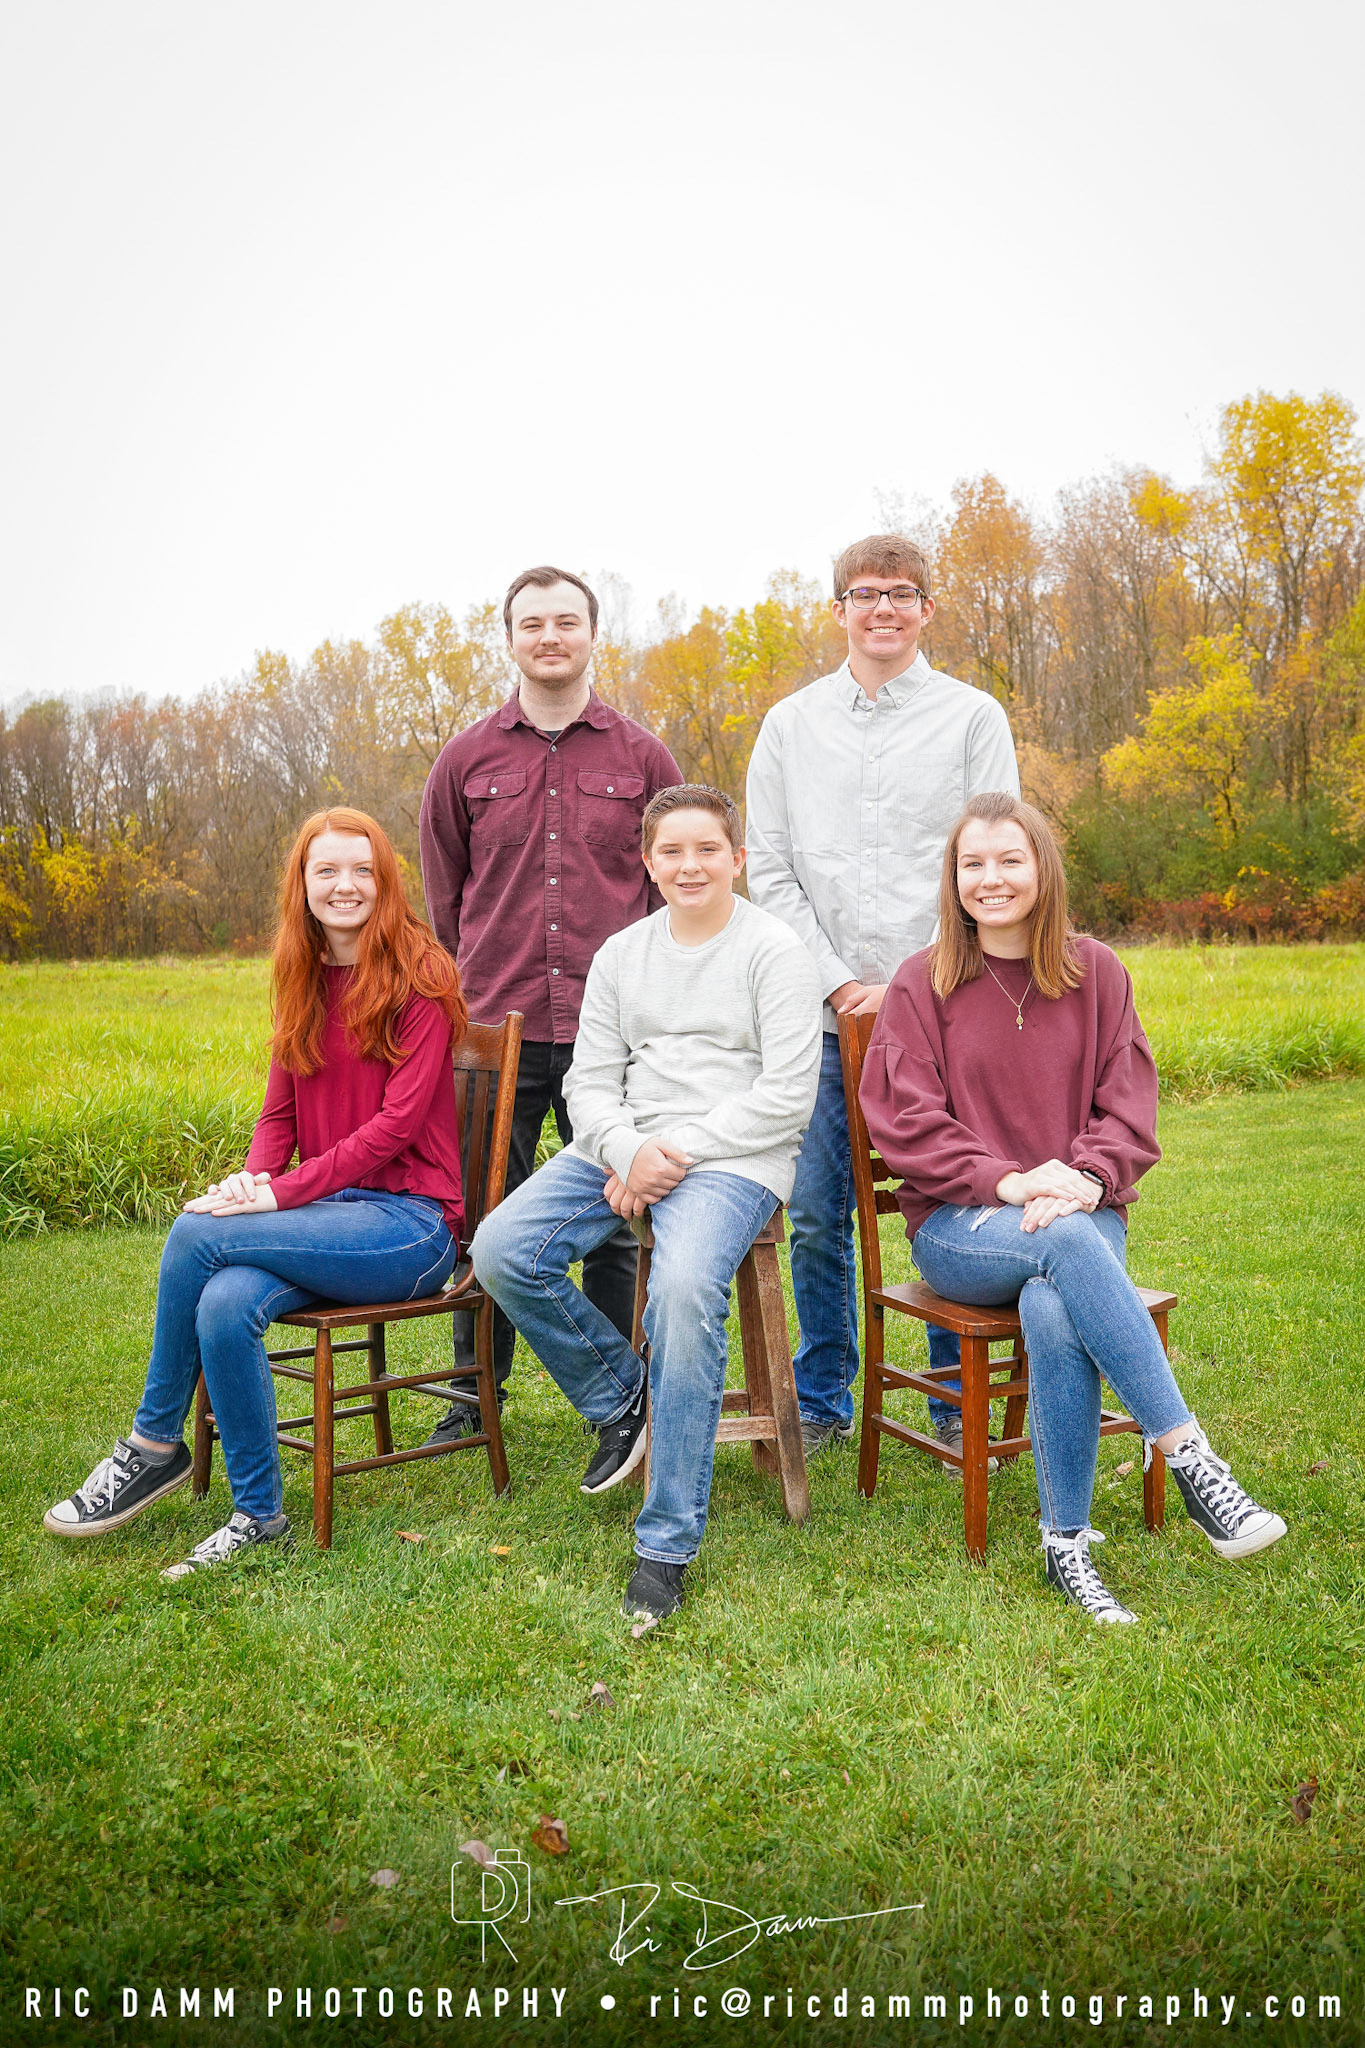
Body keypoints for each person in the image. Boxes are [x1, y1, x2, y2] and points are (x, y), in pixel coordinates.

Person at [858, 791, 1287, 1623]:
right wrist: (1011, 1181)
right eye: (972, 863)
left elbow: (1126, 1105)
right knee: (1063, 1249)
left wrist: (1088, 1179)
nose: (990, 878)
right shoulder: (921, 982)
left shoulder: (1096, 973)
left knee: (1053, 1299)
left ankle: (1065, 1545)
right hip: (960, 1227)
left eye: (1008, 860)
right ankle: (1189, 1456)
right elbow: (905, 1122)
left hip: (1080, 1217)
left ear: (1042, 869)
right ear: (952, 878)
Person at [44, 808, 467, 1578]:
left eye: (362, 870)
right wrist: (253, 1179)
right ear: (302, 884)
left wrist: (276, 1196)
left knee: (195, 1232)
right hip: (332, 1219)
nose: (345, 885)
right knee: (222, 1302)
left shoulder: (422, 976)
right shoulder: (301, 977)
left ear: (386, 880)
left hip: (411, 1227)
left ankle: (152, 1445)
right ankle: (259, 1516)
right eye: (326, 870)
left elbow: (395, 1128)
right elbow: (279, 1115)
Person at [469, 785, 822, 1626]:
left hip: (733, 1157)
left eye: (707, 850)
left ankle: (665, 1544)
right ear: (648, 863)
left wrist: (667, 1155)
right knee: (501, 1248)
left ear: (737, 859)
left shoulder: (774, 951)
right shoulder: (623, 955)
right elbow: (590, 1082)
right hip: (625, 1143)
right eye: (672, 852)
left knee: (683, 1290)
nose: (689, 866)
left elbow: (786, 1096)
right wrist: (627, 1150)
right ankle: (623, 1397)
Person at [746, 533, 1019, 1459]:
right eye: (864, 594)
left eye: (901, 593)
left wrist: (907, 988)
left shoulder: (971, 717)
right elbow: (770, 870)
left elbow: (993, 861)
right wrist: (837, 982)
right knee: (820, 1211)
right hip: (821, 1015)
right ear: (838, 611)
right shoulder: (790, 726)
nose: (883, 609)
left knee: (950, 1196)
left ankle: (949, 1397)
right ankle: (825, 1397)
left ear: (926, 609)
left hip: (945, 1008)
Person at [418, 566, 682, 1443]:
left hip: (618, 1033)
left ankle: (619, 1401)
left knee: (616, 1217)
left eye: (566, 621)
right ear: (509, 640)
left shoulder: (643, 759)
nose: (549, 637)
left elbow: (673, 893)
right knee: (484, 1217)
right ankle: (472, 1402)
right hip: (497, 1028)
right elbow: (445, 901)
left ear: (593, 634)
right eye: (531, 623)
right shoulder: (464, 761)